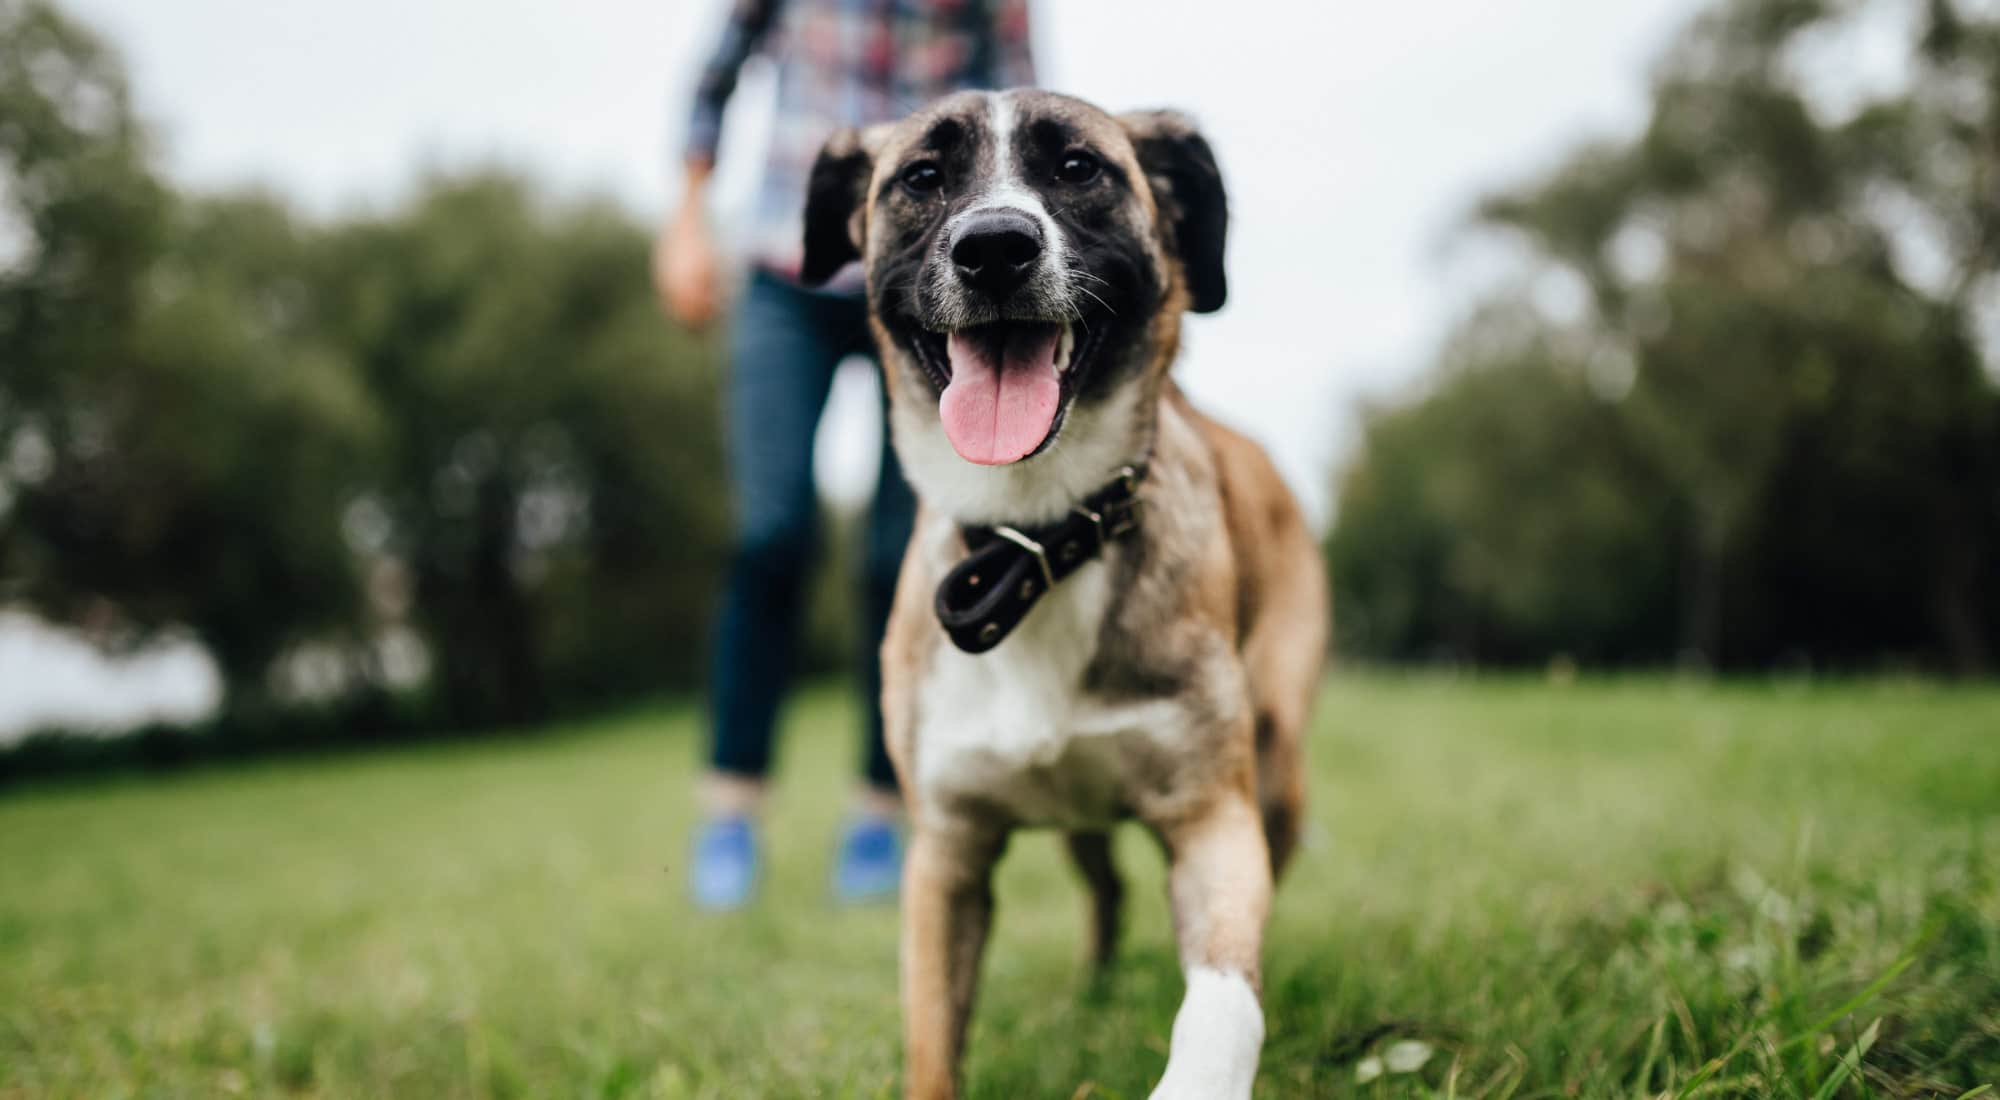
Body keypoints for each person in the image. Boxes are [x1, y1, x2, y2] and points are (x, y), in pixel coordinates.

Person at [658, 0, 1036, 910]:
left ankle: (877, 809)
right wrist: (685, 218)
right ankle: (731, 812)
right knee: (770, 535)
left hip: (923, 266)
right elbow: (717, 74)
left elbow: (1019, 106)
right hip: (785, 267)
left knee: (898, 555)